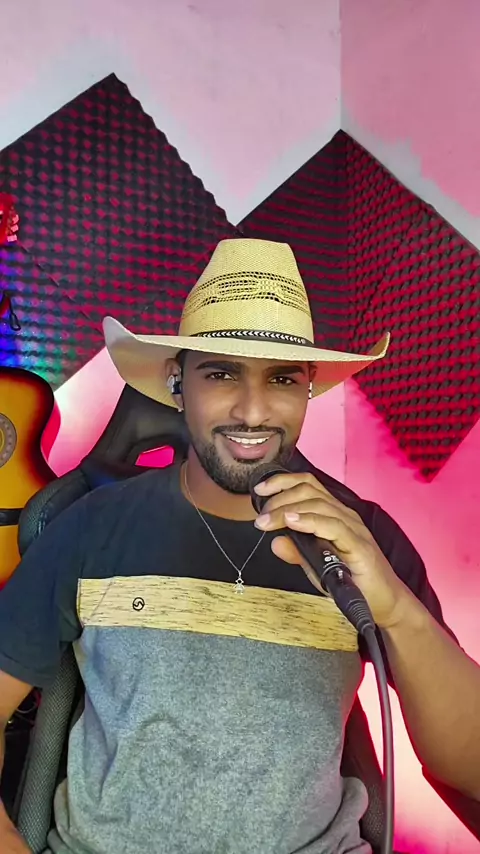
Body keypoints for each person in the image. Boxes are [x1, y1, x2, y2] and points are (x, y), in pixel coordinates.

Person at [0, 238, 479, 854]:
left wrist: (394, 611)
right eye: (222, 373)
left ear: (308, 389)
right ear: (177, 383)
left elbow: (469, 768)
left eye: (281, 378)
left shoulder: (364, 538)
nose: (253, 412)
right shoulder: (91, 526)